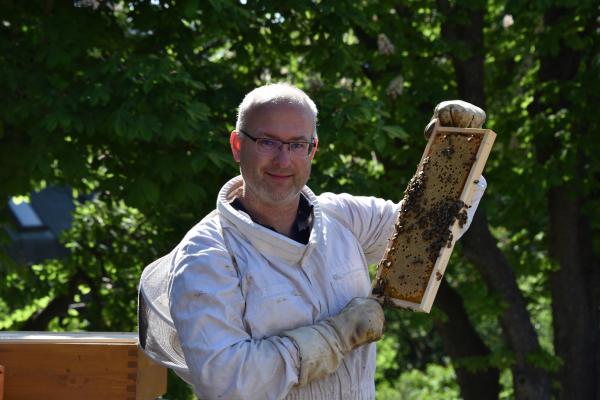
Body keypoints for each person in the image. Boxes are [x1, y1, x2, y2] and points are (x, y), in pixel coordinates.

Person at [138, 83, 487, 400]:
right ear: (237, 145)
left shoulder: (343, 218)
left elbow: (427, 230)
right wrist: (335, 336)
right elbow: (226, 382)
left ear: (313, 150)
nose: (283, 159)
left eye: (297, 144)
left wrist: (457, 149)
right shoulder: (207, 254)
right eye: (267, 142)